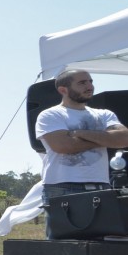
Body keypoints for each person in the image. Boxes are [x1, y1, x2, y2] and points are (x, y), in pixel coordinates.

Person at [35, 69, 128, 238]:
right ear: (63, 89)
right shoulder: (50, 115)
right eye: (82, 83)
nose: (89, 86)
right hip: (62, 187)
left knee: (102, 246)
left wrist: (81, 133)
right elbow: (64, 146)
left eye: (90, 81)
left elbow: (123, 139)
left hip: (101, 186)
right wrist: (105, 138)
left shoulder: (104, 114)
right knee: (63, 248)